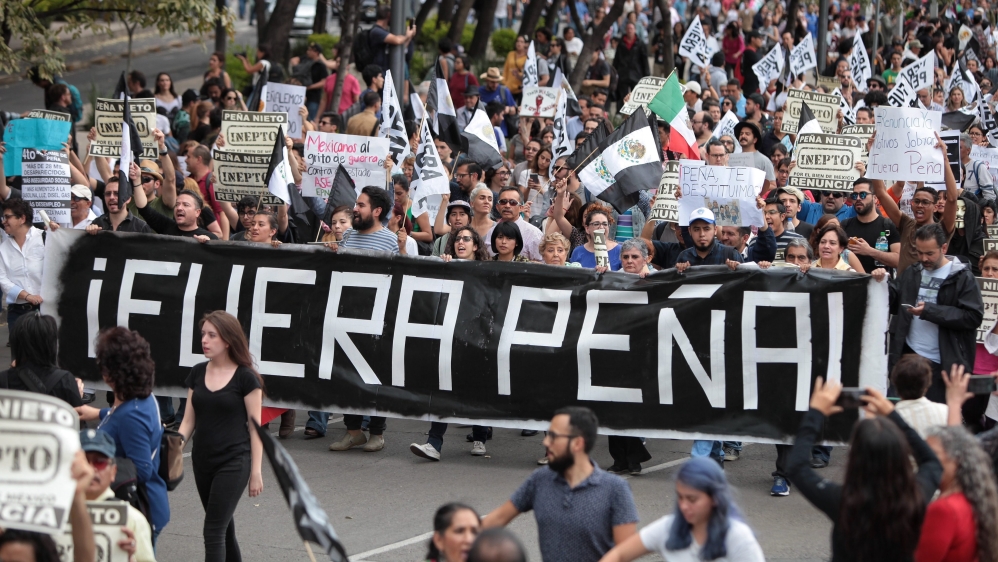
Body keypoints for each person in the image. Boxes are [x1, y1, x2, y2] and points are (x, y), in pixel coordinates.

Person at [788, 377, 941, 561]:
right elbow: (932, 462)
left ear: (855, 456)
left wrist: (815, 413)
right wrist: (892, 414)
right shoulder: (915, 498)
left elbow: (797, 467)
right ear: (901, 454)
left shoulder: (842, 501)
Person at [482, 407, 639, 562]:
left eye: (553, 436)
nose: (545, 442)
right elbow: (498, 518)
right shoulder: (540, 479)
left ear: (577, 443)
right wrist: (467, 539)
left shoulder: (615, 489)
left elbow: (624, 553)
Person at [178, 311, 264, 562]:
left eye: (212, 335)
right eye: (203, 334)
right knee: (223, 529)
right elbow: (188, 421)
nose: (204, 340)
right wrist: (173, 448)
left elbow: (255, 428)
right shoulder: (197, 373)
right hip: (202, 461)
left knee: (213, 530)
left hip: (234, 462)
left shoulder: (246, 378)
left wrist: (256, 471)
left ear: (227, 340)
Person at [75, 327, 170, 544]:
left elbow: (142, 469)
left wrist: (94, 466)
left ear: (109, 374)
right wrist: (98, 413)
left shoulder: (131, 415)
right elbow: (122, 417)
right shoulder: (140, 400)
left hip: (138, 513)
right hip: (145, 506)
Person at [597, 457, 765, 562]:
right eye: (680, 497)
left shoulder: (738, 537)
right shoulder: (668, 527)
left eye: (692, 499)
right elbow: (619, 554)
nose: (683, 505)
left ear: (715, 498)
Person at [890, 223, 984, 406]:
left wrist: (930, 311)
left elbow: (973, 317)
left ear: (944, 248)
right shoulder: (913, 271)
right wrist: (882, 282)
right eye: (919, 253)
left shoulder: (963, 277)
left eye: (930, 253)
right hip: (909, 357)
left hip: (942, 364)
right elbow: (895, 299)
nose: (924, 258)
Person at [917, 426, 998, 562]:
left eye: (932, 454)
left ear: (956, 460)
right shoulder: (974, 500)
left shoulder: (944, 509)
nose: (924, 460)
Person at [79, 429, 156, 562]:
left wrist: (131, 558)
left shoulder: (133, 519)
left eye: (100, 462)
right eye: (84, 461)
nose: (91, 469)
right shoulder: (53, 515)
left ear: (113, 472)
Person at [0, 312, 82, 408]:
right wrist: (77, 395)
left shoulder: (3, 379)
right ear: (51, 343)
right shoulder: (64, 380)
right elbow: (77, 416)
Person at [0, 198, 46, 332]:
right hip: (17, 313)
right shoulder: (4, 248)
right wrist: (26, 296)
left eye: (7, 217)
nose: (3, 221)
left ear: (22, 218)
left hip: (45, 311)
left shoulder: (45, 238)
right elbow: (2, 279)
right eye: (3, 217)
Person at [841, 178, 901, 275]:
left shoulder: (888, 225)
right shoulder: (845, 225)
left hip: (878, 282)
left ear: (875, 198)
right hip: (849, 282)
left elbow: (898, 260)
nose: (858, 198)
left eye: (863, 195)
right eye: (854, 195)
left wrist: (869, 251)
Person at [487, 187, 543, 261]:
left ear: (521, 208)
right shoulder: (491, 231)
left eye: (513, 202)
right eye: (503, 202)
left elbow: (541, 263)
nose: (507, 205)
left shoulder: (533, 233)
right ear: (497, 207)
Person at [570, 204, 622, 270]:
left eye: (605, 224)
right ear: (587, 228)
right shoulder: (578, 252)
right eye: (596, 224)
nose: (601, 227)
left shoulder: (619, 250)